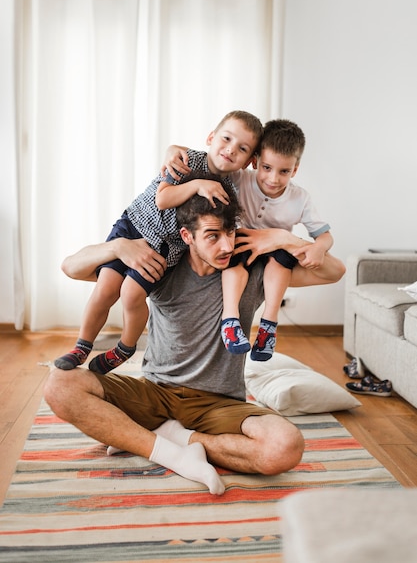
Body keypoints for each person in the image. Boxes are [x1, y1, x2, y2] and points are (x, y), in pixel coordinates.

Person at [44, 177, 305, 496]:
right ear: (187, 236)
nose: (225, 246)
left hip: (219, 404)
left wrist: (279, 237)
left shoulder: (251, 270)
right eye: (212, 236)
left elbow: (331, 270)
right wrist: (117, 245)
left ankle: (175, 438)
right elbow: (70, 267)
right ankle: (173, 454)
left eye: (230, 233)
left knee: (285, 447)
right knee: (59, 385)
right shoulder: (161, 268)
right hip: (156, 393)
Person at [54, 110, 263, 374]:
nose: (231, 150)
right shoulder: (186, 160)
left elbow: (216, 226)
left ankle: (125, 347)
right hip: (133, 224)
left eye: (242, 148)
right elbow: (162, 199)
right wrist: (197, 184)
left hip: (165, 244)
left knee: (131, 293)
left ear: (247, 162)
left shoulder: (229, 190)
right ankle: (81, 346)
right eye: (226, 139)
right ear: (211, 137)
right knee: (106, 287)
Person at [161, 119, 345, 361]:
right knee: (234, 263)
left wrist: (319, 247)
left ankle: (269, 323)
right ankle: (231, 318)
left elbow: (324, 236)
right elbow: (213, 161)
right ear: (255, 161)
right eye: (267, 168)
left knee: (281, 264)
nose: (273, 179)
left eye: (284, 172)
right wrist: (173, 149)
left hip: (277, 249)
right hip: (242, 242)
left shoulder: (300, 198)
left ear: (295, 170)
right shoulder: (241, 178)